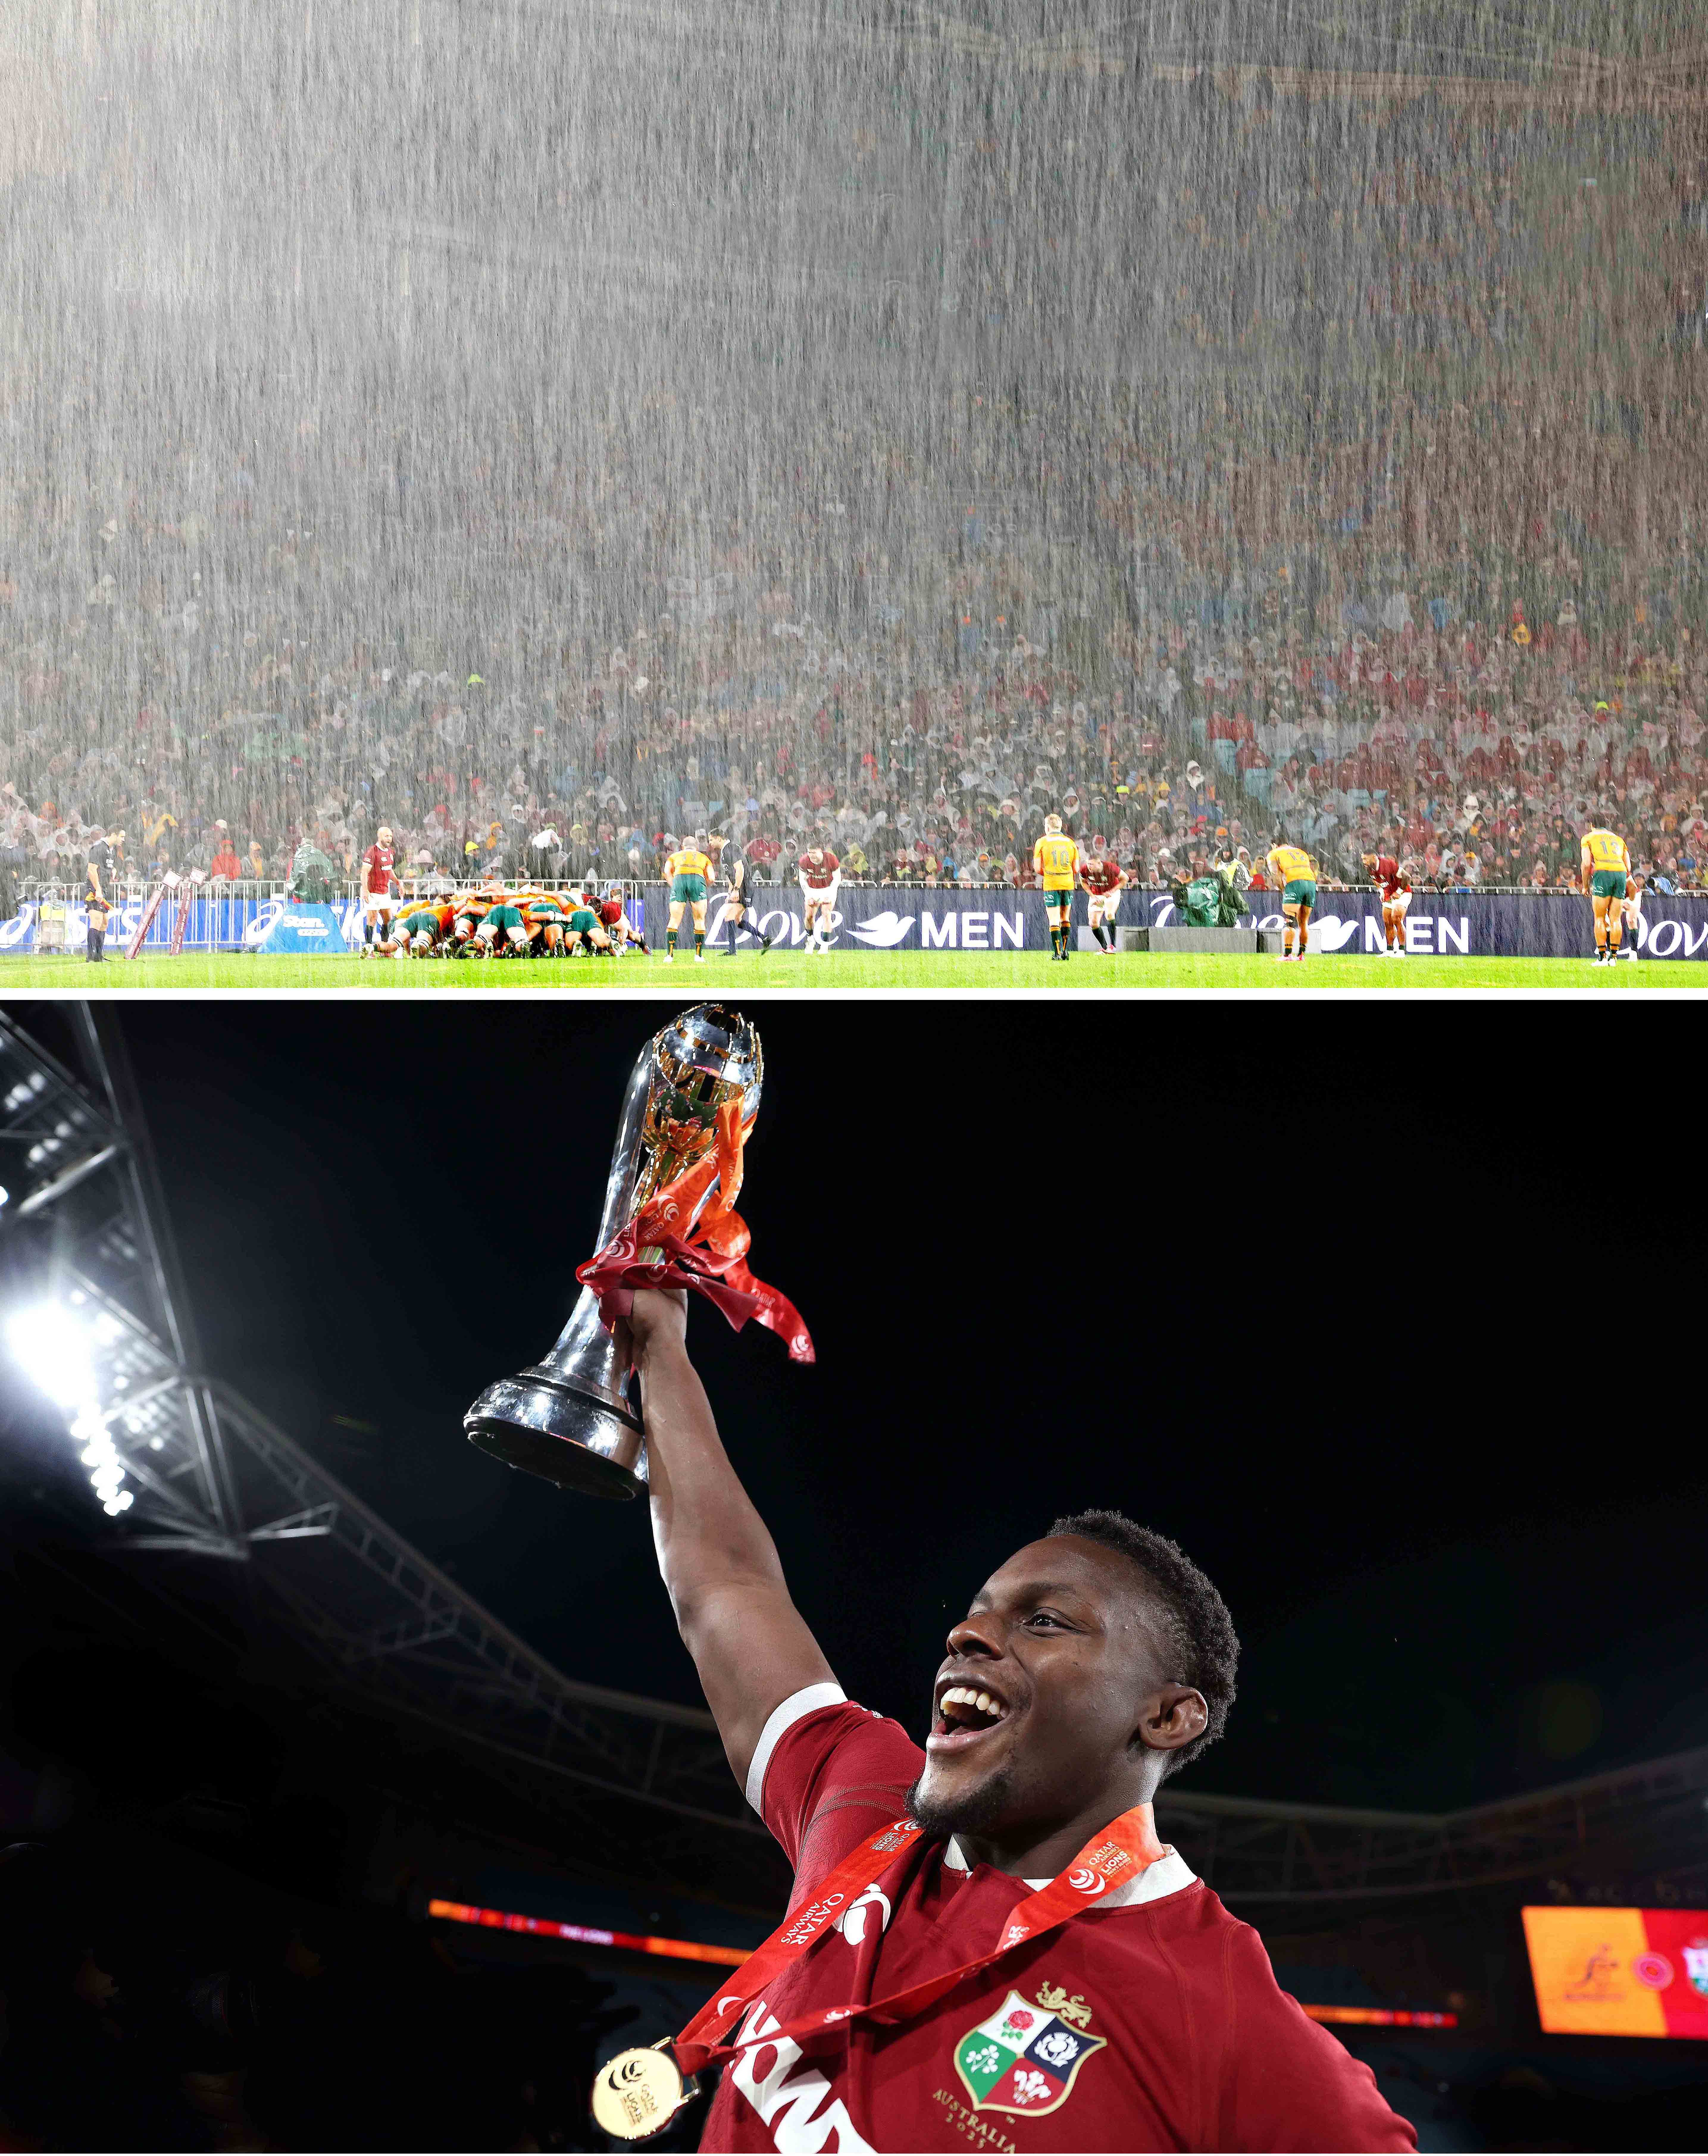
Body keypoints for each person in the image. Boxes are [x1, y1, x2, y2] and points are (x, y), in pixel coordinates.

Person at [611, 1290, 1415, 2153]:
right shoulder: (867, 1800)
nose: (967, 1635)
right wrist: (660, 1341)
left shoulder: (1222, 2021)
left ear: (1167, 1716)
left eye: (1044, 1621)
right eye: (977, 1613)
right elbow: (727, 1586)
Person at [708, 832, 772, 955]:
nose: (710, 843)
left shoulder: (731, 848)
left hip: (744, 887)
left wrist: (737, 890)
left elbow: (740, 869)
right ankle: (765, 939)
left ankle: (732, 951)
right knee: (738, 920)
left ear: (719, 838)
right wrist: (731, 891)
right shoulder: (725, 851)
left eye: (711, 840)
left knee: (729, 917)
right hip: (742, 887)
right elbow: (730, 873)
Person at [1579, 821, 1631, 965]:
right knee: (1616, 919)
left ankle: (1602, 957)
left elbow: (1586, 864)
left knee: (1600, 918)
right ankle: (1614, 957)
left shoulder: (1588, 838)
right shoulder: (1619, 839)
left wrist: (1585, 886)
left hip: (1603, 873)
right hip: (1620, 873)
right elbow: (1628, 867)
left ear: (1592, 825)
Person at [1033, 814, 1080, 961]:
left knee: (1054, 920)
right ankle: (1065, 951)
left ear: (1047, 827)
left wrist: (1050, 873)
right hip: (1068, 884)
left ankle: (1057, 953)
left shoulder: (1042, 842)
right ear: (1061, 827)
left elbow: (1037, 869)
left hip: (1052, 884)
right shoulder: (1070, 843)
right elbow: (1076, 869)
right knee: (1065, 918)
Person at [664, 833, 714, 964]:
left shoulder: (674, 857)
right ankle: (699, 956)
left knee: (674, 919)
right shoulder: (704, 858)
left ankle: (670, 955)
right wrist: (703, 885)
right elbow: (712, 878)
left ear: (683, 847)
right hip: (698, 880)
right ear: (697, 847)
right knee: (700, 920)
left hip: (679, 879)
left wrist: (674, 885)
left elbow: (667, 872)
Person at [1265, 839, 1318, 962]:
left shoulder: (1274, 853)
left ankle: (1288, 955)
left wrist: (1283, 889)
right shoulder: (1301, 852)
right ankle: (1301, 955)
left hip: (1295, 882)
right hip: (1311, 883)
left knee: (1289, 920)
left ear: (1274, 845)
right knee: (1304, 922)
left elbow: (1276, 875)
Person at [358, 824, 400, 958]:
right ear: (380, 836)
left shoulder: (390, 852)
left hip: (385, 892)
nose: (390, 839)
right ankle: (368, 950)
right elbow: (364, 872)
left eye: (391, 836)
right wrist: (365, 891)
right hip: (373, 892)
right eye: (387, 836)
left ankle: (384, 949)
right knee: (372, 919)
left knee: (389, 920)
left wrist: (398, 882)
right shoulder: (372, 852)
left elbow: (389, 869)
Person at [1362, 851, 1412, 957]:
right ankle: (1390, 950)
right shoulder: (1369, 868)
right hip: (1389, 894)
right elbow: (1376, 881)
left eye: (1366, 859)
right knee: (1388, 921)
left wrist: (1398, 892)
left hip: (1404, 893)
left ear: (1374, 857)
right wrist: (1382, 892)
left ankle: (1402, 951)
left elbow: (1407, 878)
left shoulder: (1387, 865)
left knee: (1396, 918)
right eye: (1363, 859)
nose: (1364, 862)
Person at [1078, 853, 1126, 955]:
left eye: (1092, 864)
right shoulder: (1085, 870)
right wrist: (1092, 895)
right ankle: (1105, 948)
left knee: (1110, 915)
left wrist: (1113, 891)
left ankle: (1113, 946)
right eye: (1088, 864)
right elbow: (1083, 882)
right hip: (1097, 896)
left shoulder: (1110, 868)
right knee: (1094, 923)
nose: (1089, 867)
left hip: (1111, 894)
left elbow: (1125, 878)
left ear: (1099, 863)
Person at [83, 828, 119, 963]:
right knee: (97, 921)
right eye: (122, 837)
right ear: (114, 834)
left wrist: (113, 871)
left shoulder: (111, 850)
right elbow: (92, 870)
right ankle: (91, 956)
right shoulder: (98, 847)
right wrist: (98, 890)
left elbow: (106, 867)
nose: (123, 840)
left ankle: (99, 955)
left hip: (104, 889)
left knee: (104, 923)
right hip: (94, 890)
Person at [799, 843, 841, 954]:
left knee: (826, 913)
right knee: (809, 916)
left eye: (814, 853)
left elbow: (837, 879)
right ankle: (810, 940)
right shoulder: (804, 861)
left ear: (820, 851)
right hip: (812, 889)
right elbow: (802, 880)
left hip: (828, 888)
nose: (811, 855)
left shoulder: (831, 859)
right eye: (809, 852)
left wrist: (830, 894)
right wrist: (808, 895)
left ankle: (825, 945)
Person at [1619, 871, 1646, 962]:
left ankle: (1634, 952)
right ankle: (1607, 952)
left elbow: (1632, 885)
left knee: (1632, 921)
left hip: (1633, 894)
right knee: (1609, 921)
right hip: (1618, 895)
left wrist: (1628, 900)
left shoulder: (1623, 870)